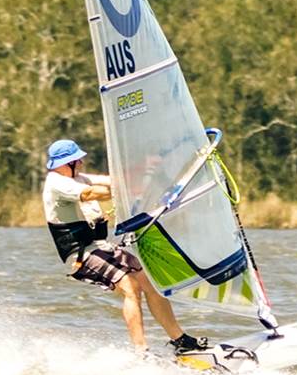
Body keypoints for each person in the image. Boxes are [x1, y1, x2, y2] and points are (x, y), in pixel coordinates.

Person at [42, 139, 211, 356]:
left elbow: (112, 181)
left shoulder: (77, 177)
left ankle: (180, 339)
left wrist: (149, 175)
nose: (82, 162)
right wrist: (121, 191)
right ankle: (141, 351)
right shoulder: (57, 182)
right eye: (77, 160)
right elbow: (90, 194)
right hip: (81, 253)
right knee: (130, 287)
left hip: (101, 247)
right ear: (66, 163)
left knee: (151, 283)